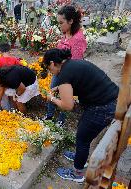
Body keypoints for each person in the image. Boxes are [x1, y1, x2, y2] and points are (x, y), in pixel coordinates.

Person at [43, 48, 118, 183]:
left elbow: (68, 106)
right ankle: (80, 158)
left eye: (49, 68)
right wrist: (58, 88)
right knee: (83, 135)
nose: (50, 72)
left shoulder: (64, 74)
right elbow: (77, 83)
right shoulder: (72, 64)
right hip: (110, 100)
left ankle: (77, 173)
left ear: (53, 63)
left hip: (102, 107)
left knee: (82, 138)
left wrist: (52, 99)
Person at [43, 5, 87, 127]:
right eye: (58, 23)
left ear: (71, 21)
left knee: (65, 96)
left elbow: (75, 63)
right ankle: (49, 115)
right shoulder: (66, 33)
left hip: (68, 74)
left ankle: (61, 120)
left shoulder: (78, 38)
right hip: (58, 70)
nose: (59, 25)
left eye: (61, 22)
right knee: (52, 91)